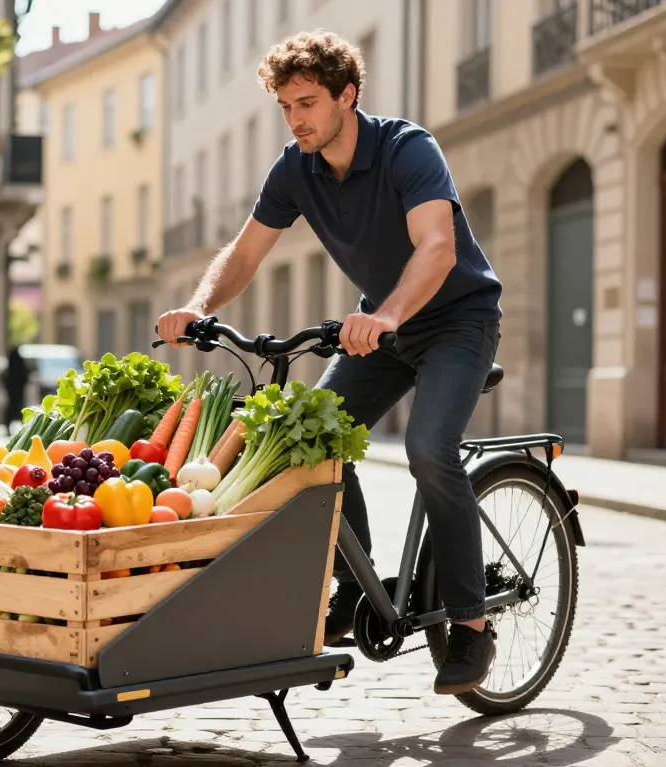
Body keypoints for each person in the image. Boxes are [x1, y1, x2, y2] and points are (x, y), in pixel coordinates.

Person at [156, 30, 502, 696]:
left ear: (348, 95)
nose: (296, 119)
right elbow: (245, 252)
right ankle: (357, 584)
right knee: (313, 442)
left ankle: (471, 624)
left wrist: (388, 315)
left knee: (430, 449)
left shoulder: (407, 149)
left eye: (308, 103)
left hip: (457, 321)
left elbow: (437, 246)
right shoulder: (296, 168)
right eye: (286, 106)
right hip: (380, 332)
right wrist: (196, 306)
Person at [3, 345, 29, 429]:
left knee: (12, 407)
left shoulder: (11, 364)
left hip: (12, 389)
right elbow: (25, 375)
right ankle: (22, 424)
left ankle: (8, 424)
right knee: (18, 406)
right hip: (18, 389)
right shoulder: (19, 362)